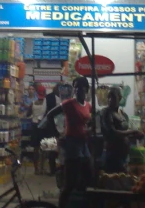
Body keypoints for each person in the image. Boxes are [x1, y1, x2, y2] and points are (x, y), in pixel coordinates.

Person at [42, 76, 92, 208]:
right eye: (75, 87)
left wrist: (89, 129)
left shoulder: (88, 106)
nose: (77, 90)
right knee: (70, 182)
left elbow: (87, 122)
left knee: (88, 176)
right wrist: (57, 134)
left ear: (86, 89)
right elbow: (50, 115)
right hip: (72, 143)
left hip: (83, 143)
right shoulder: (68, 103)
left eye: (79, 87)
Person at [100, 86, 143, 173]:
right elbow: (112, 132)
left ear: (119, 98)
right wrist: (133, 131)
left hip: (123, 155)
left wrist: (136, 135)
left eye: (113, 96)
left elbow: (124, 133)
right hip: (112, 155)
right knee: (113, 181)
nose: (110, 99)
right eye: (109, 97)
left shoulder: (123, 114)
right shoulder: (106, 113)